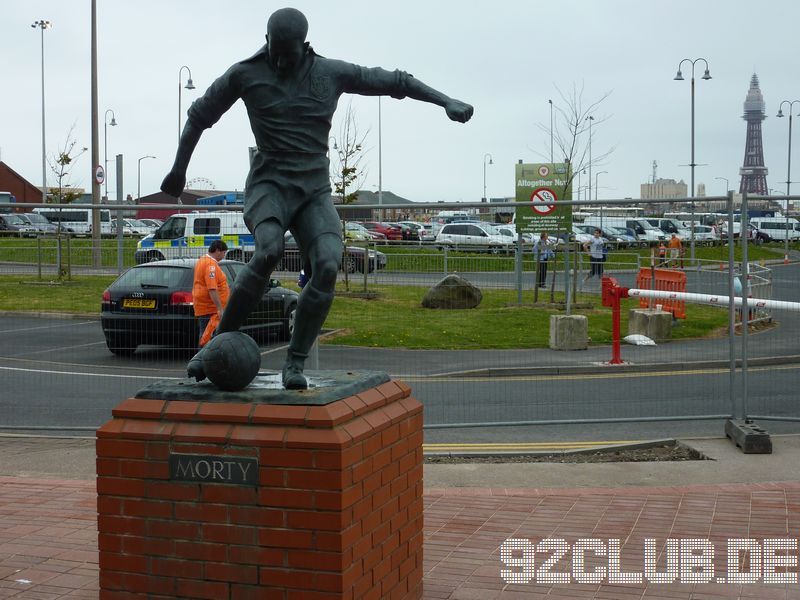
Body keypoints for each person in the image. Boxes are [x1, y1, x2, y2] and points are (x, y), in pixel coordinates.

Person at [161, 8, 473, 389]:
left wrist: (446, 101)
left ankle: (295, 363)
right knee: (268, 251)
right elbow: (198, 116)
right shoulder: (244, 74)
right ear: (266, 42)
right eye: (273, 51)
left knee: (327, 265)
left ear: (304, 47)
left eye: (287, 55)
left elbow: (395, 81)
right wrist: (179, 171)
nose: (279, 61)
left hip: (313, 191)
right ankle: (213, 349)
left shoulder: (331, 73)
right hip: (269, 185)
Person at [192, 240, 229, 348]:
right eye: (223, 253)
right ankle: (201, 362)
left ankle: (202, 362)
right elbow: (212, 288)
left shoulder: (202, 261)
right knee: (207, 338)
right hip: (210, 308)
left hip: (205, 307)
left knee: (205, 336)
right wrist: (220, 309)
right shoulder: (210, 265)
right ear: (217, 251)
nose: (223, 256)